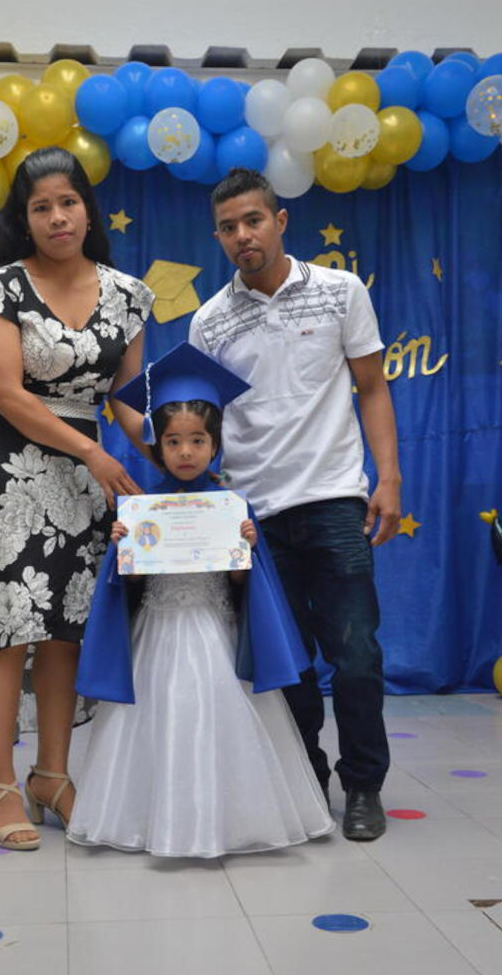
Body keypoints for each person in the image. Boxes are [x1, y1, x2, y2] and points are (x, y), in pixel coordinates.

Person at [0, 147, 154, 851]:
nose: (57, 217)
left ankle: (52, 775)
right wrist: (92, 452)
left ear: (87, 209)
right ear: (24, 220)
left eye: (67, 202)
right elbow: (6, 392)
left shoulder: (129, 295)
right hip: (5, 469)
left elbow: (126, 402)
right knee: (7, 626)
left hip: (82, 482)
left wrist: (176, 450)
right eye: (41, 207)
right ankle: (0, 782)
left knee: (66, 628)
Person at [187, 168, 403, 841]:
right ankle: (306, 780)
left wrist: (389, 479)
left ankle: (364, 785)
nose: (242, 236)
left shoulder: (341, 291)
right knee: (287, 665)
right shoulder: (208, 321)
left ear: (280, 221)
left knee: (356, 655)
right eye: (228, 227)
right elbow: (202, 419)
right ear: (218, 237)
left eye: (253, 220)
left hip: (335, 498)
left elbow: (372, 388)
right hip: (253, 516)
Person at [68, 343, 335, 857]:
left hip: (216, 632)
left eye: (197, 440)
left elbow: (241, 587)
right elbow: (131, 588)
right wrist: (123, 548)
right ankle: (156, 822)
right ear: (157, 444)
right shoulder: (142, 508)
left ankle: (228, 821)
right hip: (158, 632)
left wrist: (245, 554)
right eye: (173, 441)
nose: (186, 452)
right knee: (159, 726)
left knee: (222, 726)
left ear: (215, 444)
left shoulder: (232, 508)